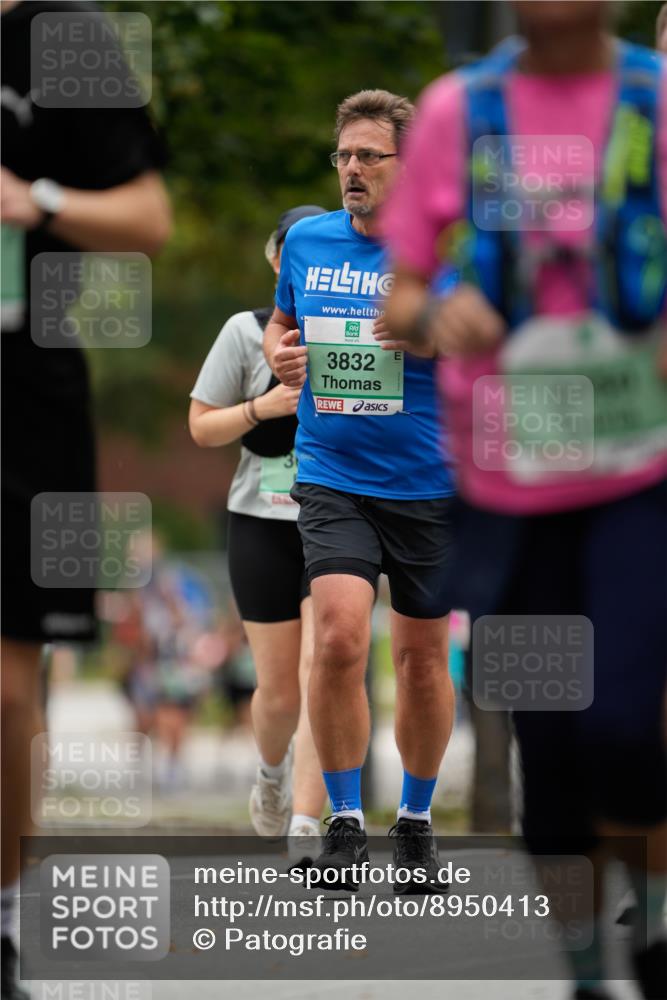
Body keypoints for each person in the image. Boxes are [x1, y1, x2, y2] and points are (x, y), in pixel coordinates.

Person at [382, 2, 666, 997]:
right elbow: (400, 298)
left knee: (626, 725)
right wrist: (436, 308)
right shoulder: (462, 110)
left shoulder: (654, 102)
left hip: (639, 474)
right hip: (509, 483)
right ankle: (588, 970)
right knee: (550, 751)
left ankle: (657, 918)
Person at [1, 2, 171, 997]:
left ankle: (8, 922)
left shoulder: (62, 37)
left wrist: (38, 198)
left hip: (27, 406)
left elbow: (148, 219)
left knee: (9, 695)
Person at [264, 90, 457, 892]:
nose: (351, 169)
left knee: (418, 660)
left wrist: (426, 332)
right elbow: (281, 326)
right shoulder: (307, 240)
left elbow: (487, 342)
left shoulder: (445, 249)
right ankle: (342, 825)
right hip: (331, 474)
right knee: (339, 636)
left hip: (428, 480)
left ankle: (413, 823)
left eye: (368, 157)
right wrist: (279, 357)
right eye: (343, 155)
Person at [189, 205, 328, 865]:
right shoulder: (244, 333)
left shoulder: (352, 328)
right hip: (259, 522)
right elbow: (201, 427)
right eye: (290, 252)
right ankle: (271, 773)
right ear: (277, 261)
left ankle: (306, 823)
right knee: (277, 690)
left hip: (338, 521)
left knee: (322, 670)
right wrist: (261, 408)